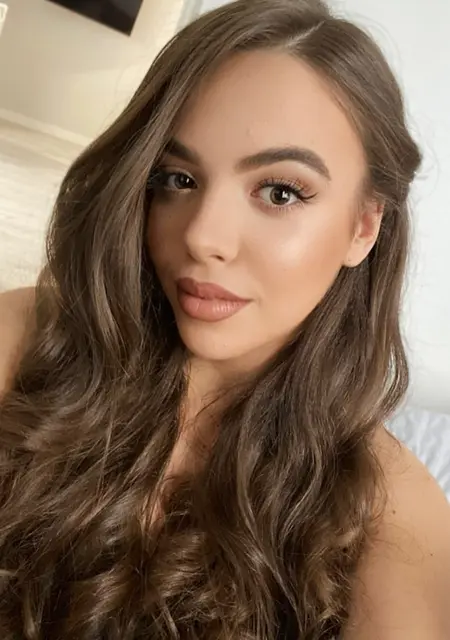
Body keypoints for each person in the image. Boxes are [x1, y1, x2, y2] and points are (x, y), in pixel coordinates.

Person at [0, 0, 449, 637]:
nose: (202, 236)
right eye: (177, 179)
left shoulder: (390, 510)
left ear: (363, 226)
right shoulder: (32, 340)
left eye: (280, 192)